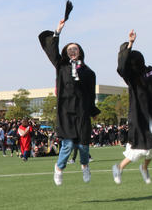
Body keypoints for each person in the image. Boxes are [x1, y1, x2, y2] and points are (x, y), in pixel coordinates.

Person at [39, 19, 100, 186]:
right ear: (66, 52)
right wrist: (57, 31)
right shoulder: (61, 66)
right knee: (67, 144)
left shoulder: (88, 72)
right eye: (69, 49)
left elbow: (90, 94)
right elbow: (51, 51)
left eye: (76, 48)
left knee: (83, 145)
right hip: (65, 111)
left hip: (81, 110)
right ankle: (59, 168)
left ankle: (85, 166)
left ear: (80, 52)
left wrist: (93, 111)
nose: (73, 51)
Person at [112, 30, 152, 185]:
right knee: (141, 148)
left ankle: (144, 168)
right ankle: (118, 167)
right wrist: (130, 44)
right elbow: (121, 67)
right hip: (139, 115)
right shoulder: (130, 76)